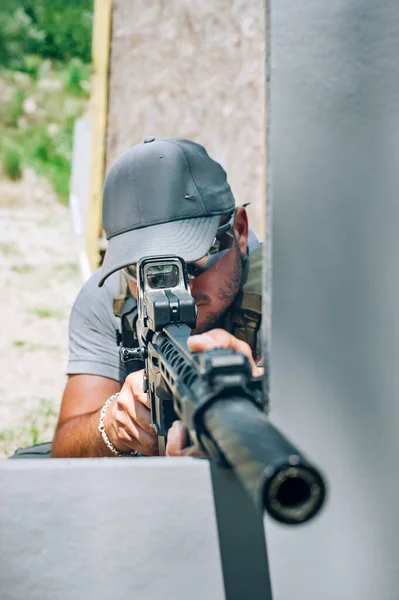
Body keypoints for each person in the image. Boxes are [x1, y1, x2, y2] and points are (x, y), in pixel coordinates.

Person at [52, 137, 263, 458]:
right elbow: (65, 448)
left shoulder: (289, 291)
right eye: (147, 271)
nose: (179, 290)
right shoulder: (109, 295)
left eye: (195, 263)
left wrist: (261, 395)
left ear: (240, 231)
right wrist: (111, 424)